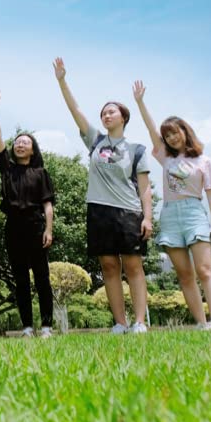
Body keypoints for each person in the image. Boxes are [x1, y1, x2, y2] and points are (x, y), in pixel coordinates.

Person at [53, 57, 152, 334]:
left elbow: (145, 188)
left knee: (133, 266)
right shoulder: (95, 140)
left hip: (129, 212)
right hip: (99, 210)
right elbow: (75, 109)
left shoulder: (137, 150)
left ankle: (139, 321)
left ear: (123, 118)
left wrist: (148, 218)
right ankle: (120, 322)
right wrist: (62, 81)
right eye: (104, 113)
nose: (106, 116)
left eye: (112, 112)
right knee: (108, 266)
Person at [133, 80, 211, 329]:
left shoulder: (204, 161)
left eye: (175, 132)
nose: (172, 138)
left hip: (194, 213)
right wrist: (140, 103)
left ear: (185, 131)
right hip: (170, 215)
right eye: (168, 135)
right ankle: (201, 323)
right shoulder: (166, 158)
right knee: (184, 274)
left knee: (205, 270)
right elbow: (151, 129)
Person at [0, 90, 56, 338]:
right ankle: (27, 327)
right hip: (13, 228)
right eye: (17, 142)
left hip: (36, 226)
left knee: (42, 277)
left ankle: (46, 326)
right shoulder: (7, 169)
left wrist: (48, 229)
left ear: (32, 150)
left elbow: (48, 205)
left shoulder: (40, 173)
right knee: (21, 280)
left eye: (25, 142)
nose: (19, 144)